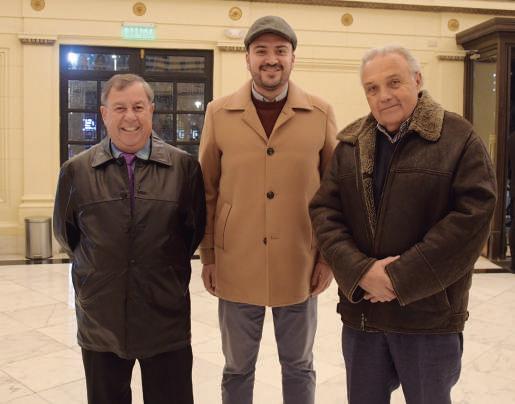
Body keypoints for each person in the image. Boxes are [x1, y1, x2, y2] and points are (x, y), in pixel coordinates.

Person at [309, 45, 497, 404]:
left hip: (428, 318)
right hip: (364, 317)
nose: (383, 96)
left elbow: (472, 219)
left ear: (417, 79)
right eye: (372, 88)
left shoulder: (458, 138)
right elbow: (324, 213)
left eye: (394, 82)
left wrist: (398, 278)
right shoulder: (350, 144)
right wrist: (361, 272)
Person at [198, 15, 337, 404]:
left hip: (299, 264)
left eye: (280, 50)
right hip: (235, 262)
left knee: (299, 366)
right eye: (261, 51)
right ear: (247, 58)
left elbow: (334, 194)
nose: (271, 59)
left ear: (293, 58)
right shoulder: (218, 113)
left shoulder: (320, 113)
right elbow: (206, 190)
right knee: (237, 368)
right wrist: (209, 255)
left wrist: (327, 257)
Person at [53, 73, 205, 404]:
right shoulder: (76, 171)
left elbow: (192, 233)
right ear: (104, 114)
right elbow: (67, 235)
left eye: (138, 107)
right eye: (120, 108)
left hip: (165, 315)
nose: (130, 117)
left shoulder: (184, 169)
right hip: (101, 318)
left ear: (151, 110)